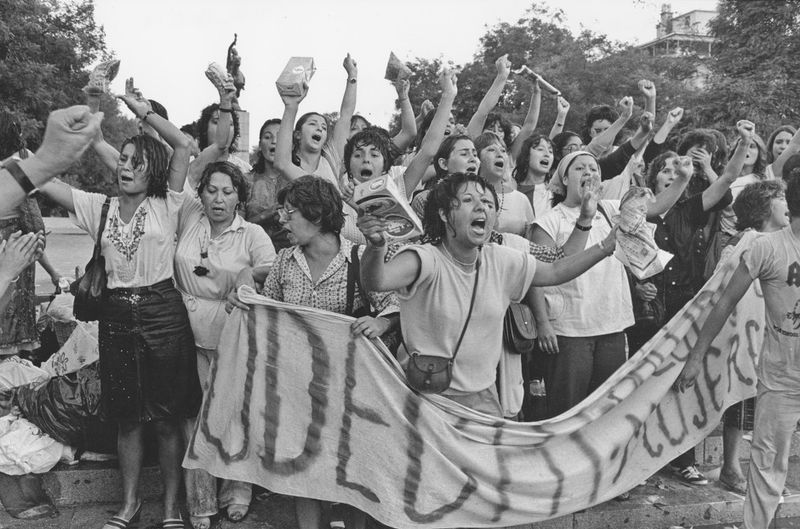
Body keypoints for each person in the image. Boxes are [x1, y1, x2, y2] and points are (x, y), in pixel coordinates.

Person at [38, 86, 199, 529]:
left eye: (134, 161)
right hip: (115, 317)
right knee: (127, 419)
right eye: (121, 159)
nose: (124, 167)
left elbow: (183, 145)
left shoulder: (168, 204)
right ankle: (129, 506)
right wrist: (28, 164)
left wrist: (142, 111)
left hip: (163, 314)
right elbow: (48, 183)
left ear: (154, 169)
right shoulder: (100, 206)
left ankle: (170, 509)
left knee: (166, 421)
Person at [357, 171, 618, 417]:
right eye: (468, 200)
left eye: (487, 202)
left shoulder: (501, 259)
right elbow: (376, 280)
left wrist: (604, 244)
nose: (481, 207)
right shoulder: (427, 259)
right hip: (425, 401)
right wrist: (377, 245)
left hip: (483, 402)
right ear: (445, 215)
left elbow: (555, 271)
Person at [251, 175, 399, 529]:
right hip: (299, 387)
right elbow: (269, 315)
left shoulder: (359, 257)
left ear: (316, 216)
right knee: (305, 470)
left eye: (290, 213)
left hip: (354, 390)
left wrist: (381, 324)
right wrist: (244, 304)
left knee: (355, 469)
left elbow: (395, 304)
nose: (282, 221)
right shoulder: (285, 261)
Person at [674, 168, 800, 529]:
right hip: (781, 380)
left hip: (781, 377)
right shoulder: (765, 246)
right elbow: (725, 301)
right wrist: (696, 356)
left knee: (768, 466)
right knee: (767, 466)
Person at [530, 151, 690, 418]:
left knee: (606, 410)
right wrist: (543, 322)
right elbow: (537, 276)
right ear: (564, 180)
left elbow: (656, 207)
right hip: (570, 330)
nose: (589, 173)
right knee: (568, 411)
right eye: (580, 168)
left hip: (612, 325)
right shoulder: (548, 221)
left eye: (593, 168)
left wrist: (682, 179)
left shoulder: (612, 209)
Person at [175, 161, 276, 529]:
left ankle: (238, 490)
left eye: (228, 192)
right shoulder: (189, 219)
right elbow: (183, 158)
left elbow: (273, 269)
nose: (218, 199)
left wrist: (248, 277)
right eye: (211, 190)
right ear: (200, 193)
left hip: (234, 335)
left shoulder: (252, 234)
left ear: (239, 198)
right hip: (184, 330)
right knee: (194, 416)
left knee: (236, 412)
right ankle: (200, 499)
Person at [714, 180, 789, 496]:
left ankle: (765, 474)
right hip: (747, 334)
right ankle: (731, 468)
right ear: (763, 207)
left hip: (776, 335)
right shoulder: (749, 240)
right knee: (743, 402)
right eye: (781, 198)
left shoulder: (781, 240)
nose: (789, 204)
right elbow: (725, 288)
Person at [247, 118, 291, 249]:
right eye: (267, 137)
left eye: (280, 136)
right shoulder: (246, 180)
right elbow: (236, 226)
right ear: (260, 145)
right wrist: (265, 215)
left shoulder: (297, 180)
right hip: (254, 252)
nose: (274, 141)